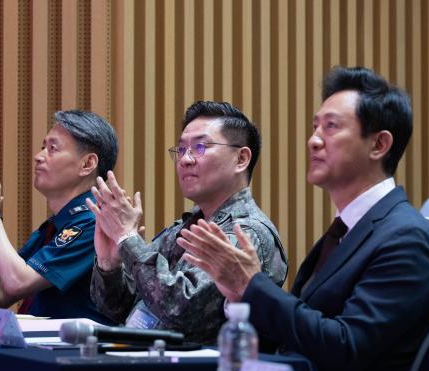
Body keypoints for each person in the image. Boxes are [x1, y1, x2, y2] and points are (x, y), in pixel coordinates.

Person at [177, 67, 429, 371]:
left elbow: (346, 346)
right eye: (316, 126)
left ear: (379, 144)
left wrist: (252, 286)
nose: (313, 140)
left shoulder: (406, 237)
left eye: (331, 127)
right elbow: (298, 331)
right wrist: (238, 296)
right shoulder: (346, 230)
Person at [87, 101, 288, 344]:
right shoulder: (185, 227)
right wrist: (110, 264)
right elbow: (120, 306)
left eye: (200, 147)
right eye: (181, 150)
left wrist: (127, 239)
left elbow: (180, 310)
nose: (186, 159)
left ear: (241, 159)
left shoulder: (245, 232)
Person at [0, 110, 119, 323]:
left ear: (87, 164)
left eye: (52, 148)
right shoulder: (56, 226)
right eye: (43, 147)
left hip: (75, 353)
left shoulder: (94, 223)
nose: (38, 156)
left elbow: (17, 281)